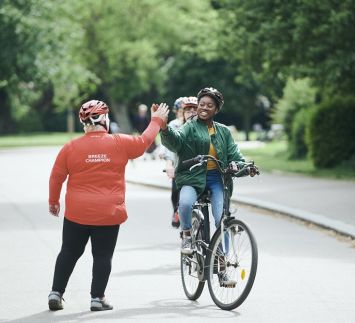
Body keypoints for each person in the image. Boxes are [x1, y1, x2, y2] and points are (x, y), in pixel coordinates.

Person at [48, 100, 168, 311]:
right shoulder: (119, 142)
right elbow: (144, 142)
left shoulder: (70, 147)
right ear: (104, 119)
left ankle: (56, 293)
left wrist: (54, 201)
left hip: (77, 213)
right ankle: (97, 298)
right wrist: (156, 120)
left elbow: (56, 177)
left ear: (83, 122)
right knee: (102, 256)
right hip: (108, 212)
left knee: (68, 251)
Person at [160, 87, 256, 287]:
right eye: (201, 104)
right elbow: (175, 142)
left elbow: (235, 157)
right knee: (185, 204)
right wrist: (164, 128)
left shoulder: (223, 131)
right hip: (192, 176)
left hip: (216, 179)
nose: (203, 108)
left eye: (209, 105)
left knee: (222, 220)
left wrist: (245, 168)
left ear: (216, 109)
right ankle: (187, 235)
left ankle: (222, 268)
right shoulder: (190, 126)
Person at [161, 96, 198, 228]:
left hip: (197, 168)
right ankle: (178, 212)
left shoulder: (202, 125)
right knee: (175, 193)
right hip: (179, 166)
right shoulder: (174, 125)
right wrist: (169, 164)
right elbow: (169, 148)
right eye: (184, 110)